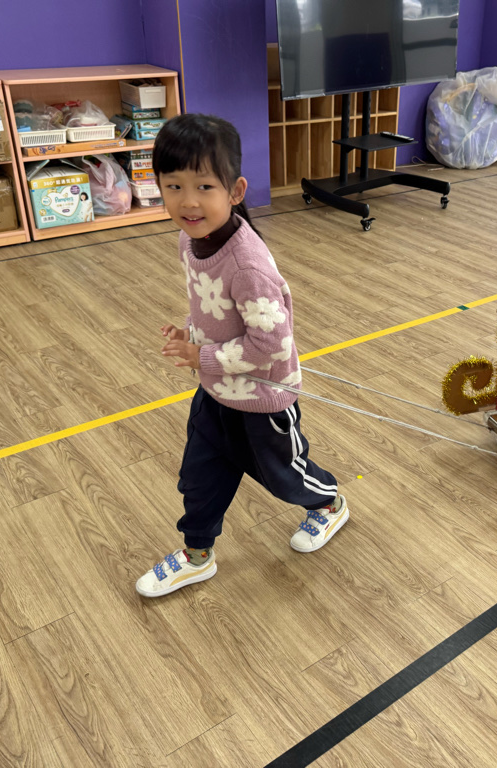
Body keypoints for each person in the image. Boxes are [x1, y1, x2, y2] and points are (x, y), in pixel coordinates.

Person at [135, 114, 349, 598]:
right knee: (198, 479)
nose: (188, 201)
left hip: (262, 402)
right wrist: (190, 333)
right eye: (174, 186)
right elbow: (211, 310)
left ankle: (330, 504)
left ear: (235, 191)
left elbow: (270, 345)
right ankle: (197, 555)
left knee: (286, 478)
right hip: (216, 393)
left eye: (204, 186)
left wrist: (201, 356)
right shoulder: (191, 240)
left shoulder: (247, 265)